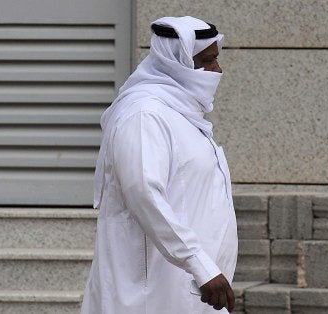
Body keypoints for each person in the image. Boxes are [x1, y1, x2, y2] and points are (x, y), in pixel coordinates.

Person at [81, 16, 238, 313]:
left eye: (216, 60)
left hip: (190, 287)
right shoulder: (145, 115)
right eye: (206, 61)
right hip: (151, 292)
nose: (217, 71)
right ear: (176, 63)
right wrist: (201, 265)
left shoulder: (183, 116)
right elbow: (145, 195)